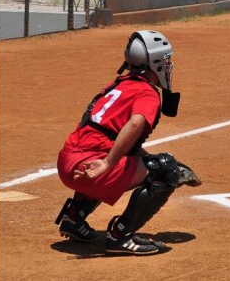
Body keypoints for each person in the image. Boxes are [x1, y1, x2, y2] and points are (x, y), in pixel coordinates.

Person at [55, 30, 201, 255]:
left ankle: (73, 218)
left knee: (150, 162)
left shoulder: (118, 85)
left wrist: (140, 159)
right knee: (166, 171)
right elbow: (134, 125)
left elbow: (121, 142)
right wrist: (107, 164)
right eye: (165, 60)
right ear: (153, 62)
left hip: (71, 163)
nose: (168, 64)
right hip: (93, 167)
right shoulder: (147, 93)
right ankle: (121, 235)